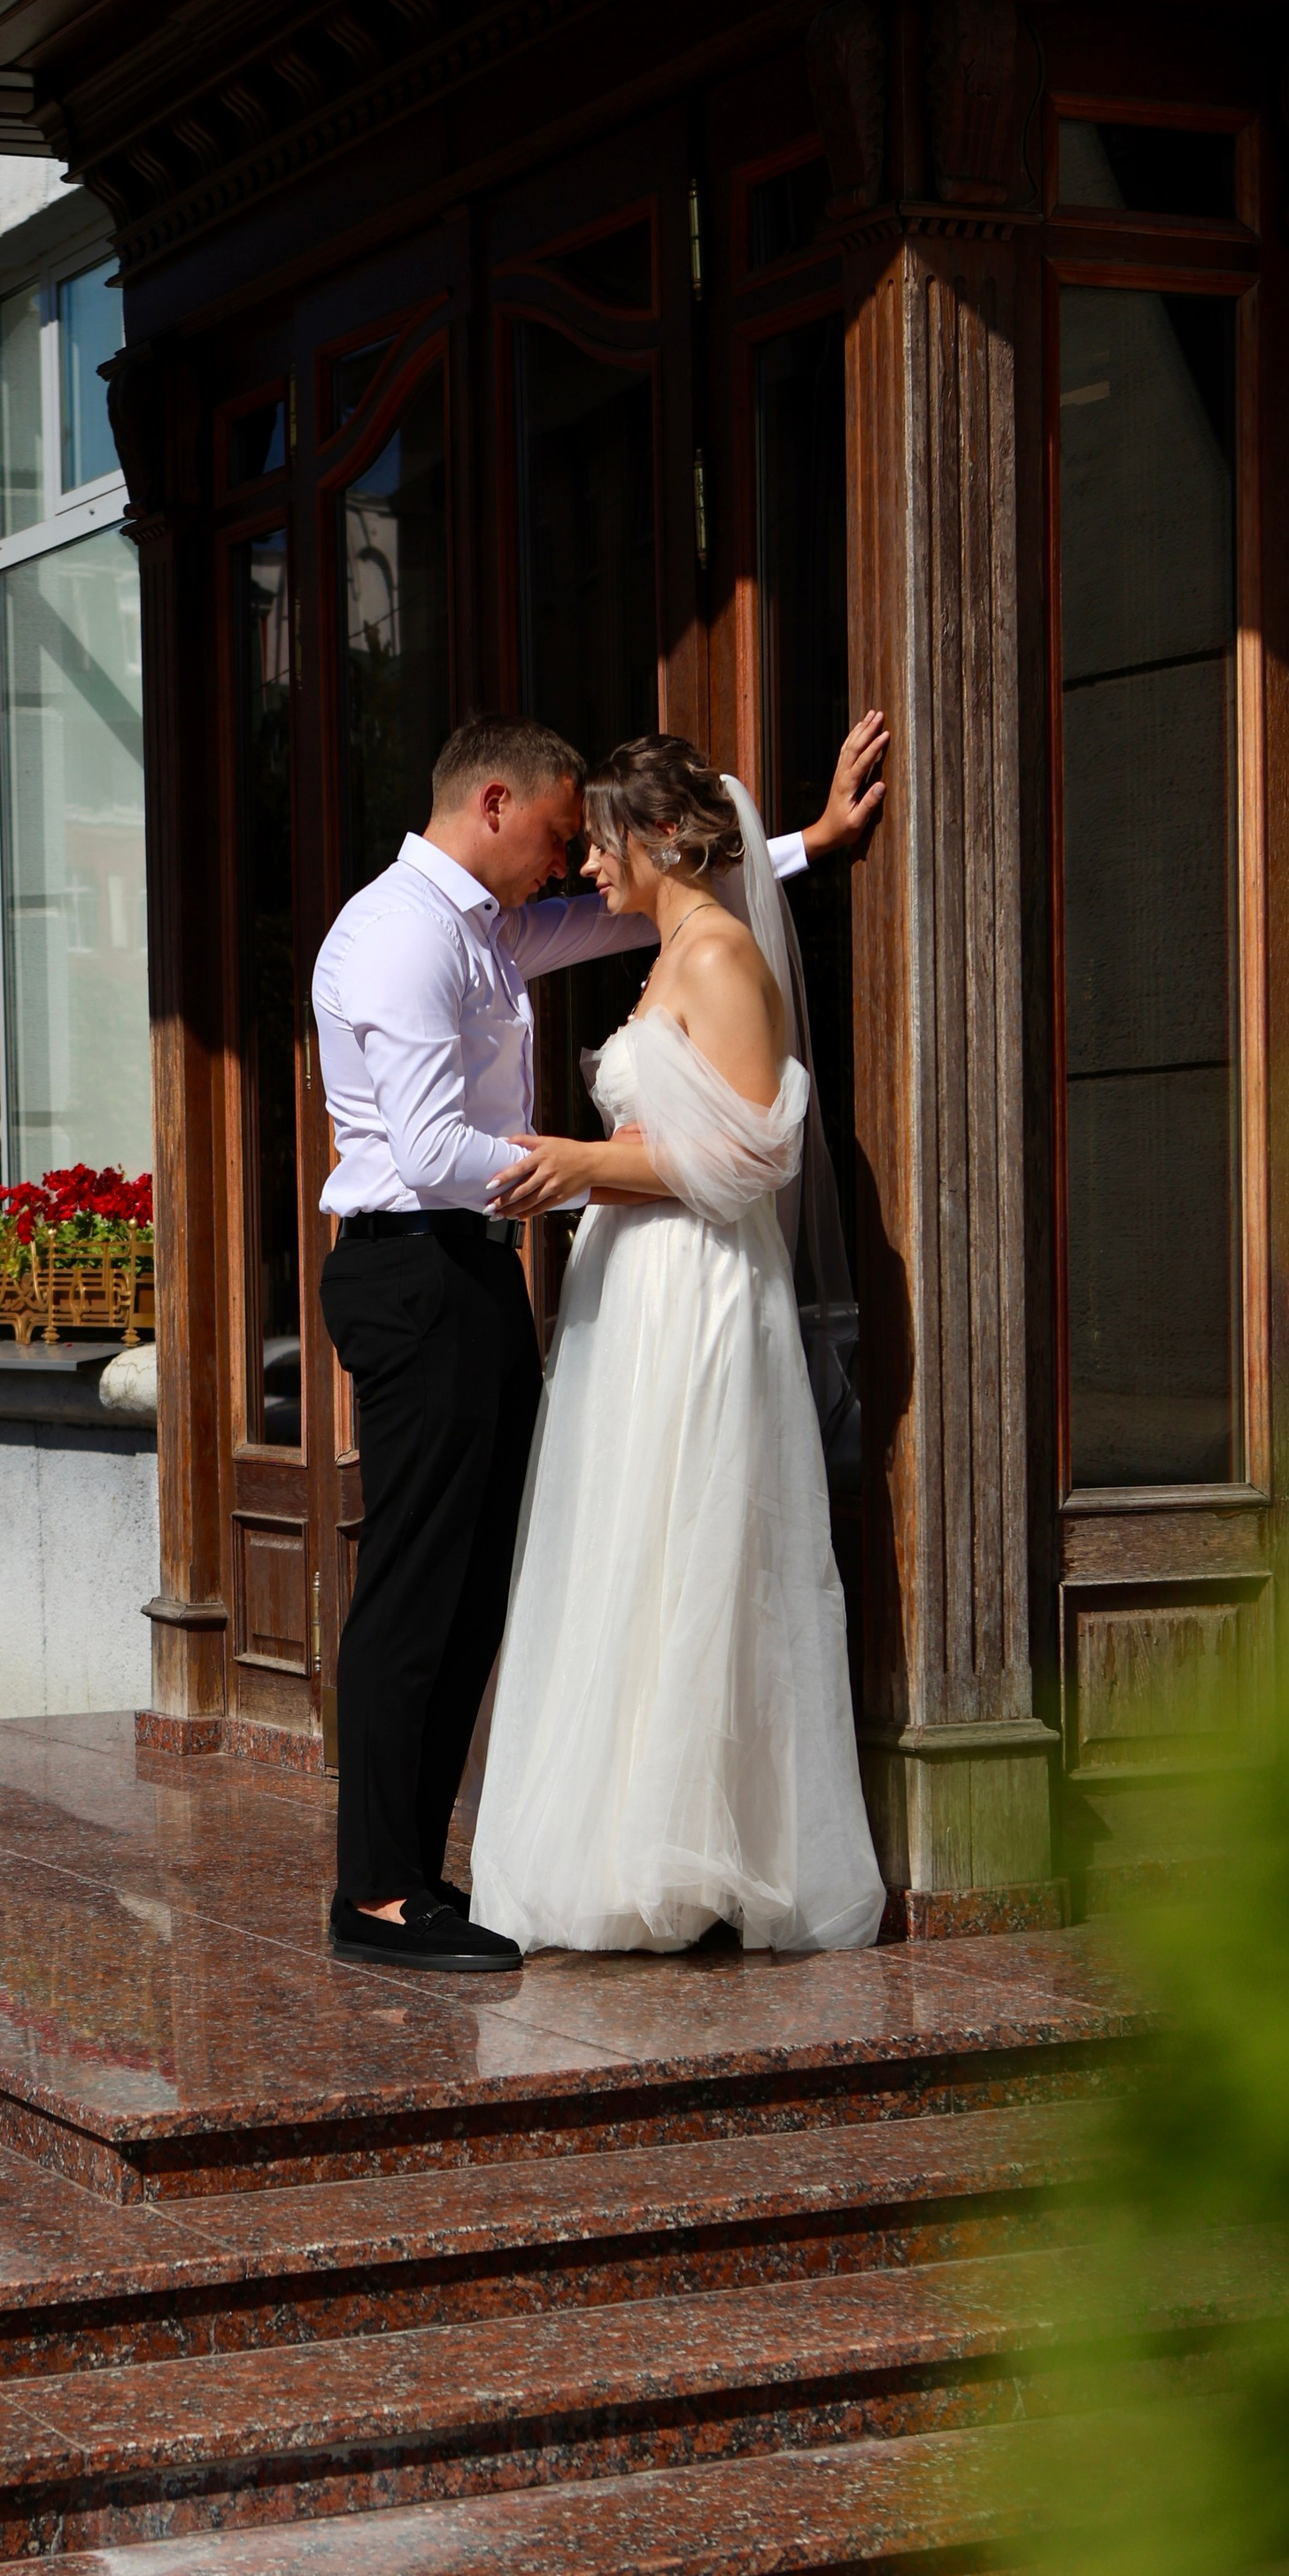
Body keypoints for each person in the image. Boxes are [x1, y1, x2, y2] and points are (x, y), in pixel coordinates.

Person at [314, 709, 886, 1973]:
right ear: (496, 806)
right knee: (418, 1585)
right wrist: (588, 1170)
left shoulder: (492, 928)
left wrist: (806, 841)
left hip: (482, 1272)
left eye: (597, 839)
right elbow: (429, 1152)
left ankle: (416, 1872)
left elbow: (653, 908)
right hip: (416, 1270)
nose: (574, 863)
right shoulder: (406, 933)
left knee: (475, 1587)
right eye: (561, 834)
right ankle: (380, 1894)